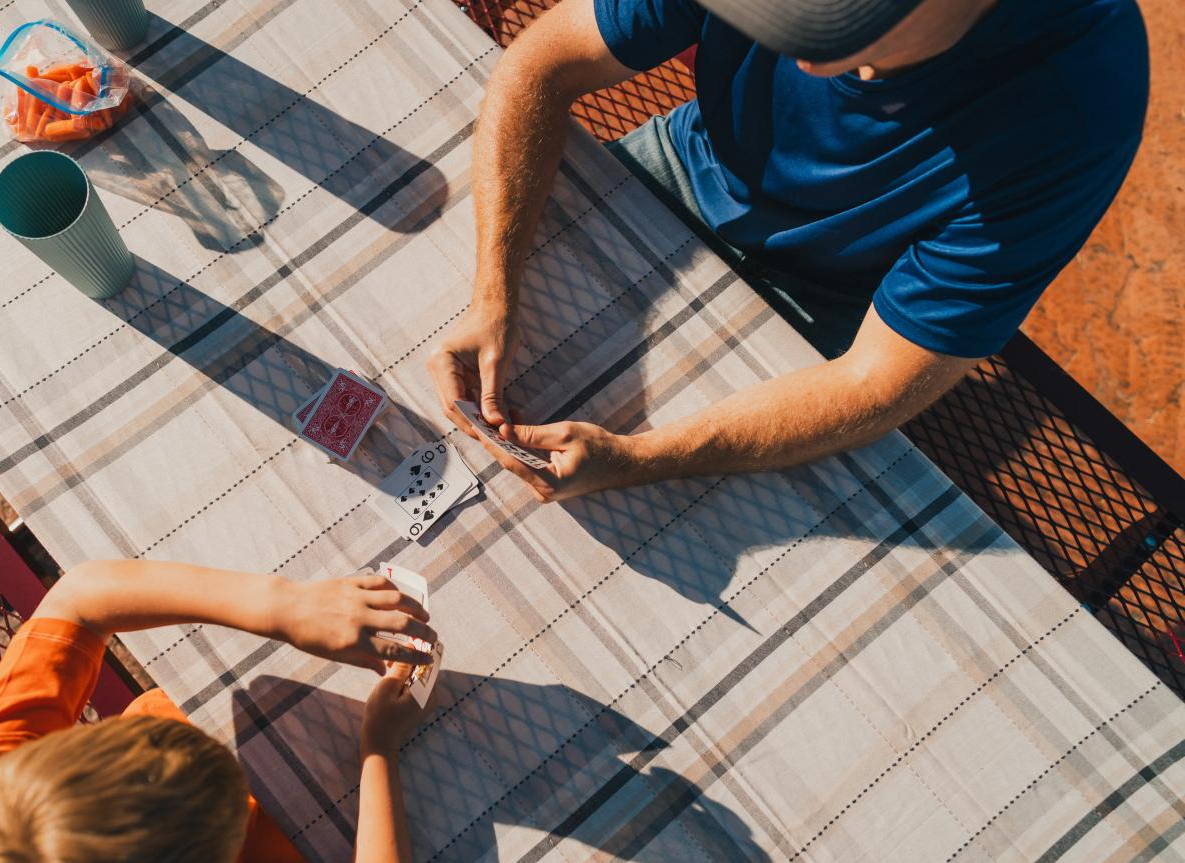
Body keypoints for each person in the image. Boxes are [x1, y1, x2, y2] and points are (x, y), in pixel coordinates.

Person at [429, 0, 1148, 501]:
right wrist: (492, 289)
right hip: (680, 164)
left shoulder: (1080, 104)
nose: (796, 54)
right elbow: (542, 65)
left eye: (829, 25)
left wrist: (640, 459)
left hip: (831, 306)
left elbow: (878, 380)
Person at [0, 559, 438, 863]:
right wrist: (378, 750)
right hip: (327, 817)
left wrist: (280, 605)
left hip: (227, 692)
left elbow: (75, 599)